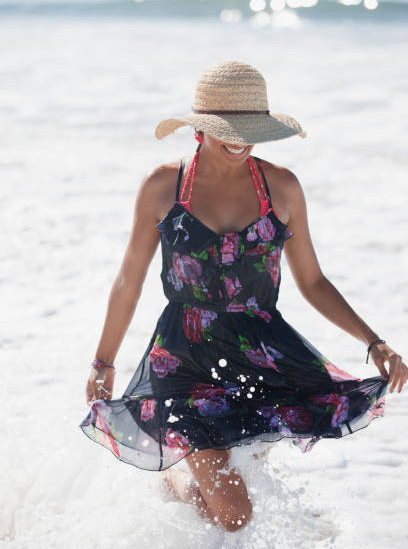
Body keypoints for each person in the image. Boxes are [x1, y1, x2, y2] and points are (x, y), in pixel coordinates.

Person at [79, 60, 407, 533]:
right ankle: (180, 484)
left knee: (225, 498)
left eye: (251, 128)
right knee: (235, 513)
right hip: (182, 357)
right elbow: (128, 280)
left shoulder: (283, 188)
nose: (241, 139)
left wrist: (375, 342)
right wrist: (103, 362)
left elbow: (312, 281)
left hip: (260, 357)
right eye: (227, 129)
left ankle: (178, 489)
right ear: (201, 128)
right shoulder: (162, 187)